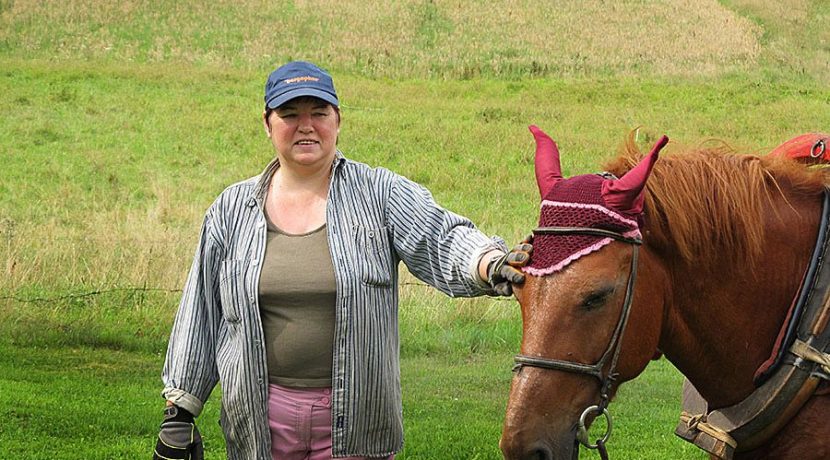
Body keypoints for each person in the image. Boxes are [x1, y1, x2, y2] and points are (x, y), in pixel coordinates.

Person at [152, 61, 531, 460]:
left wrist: (487, 262)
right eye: (289, 114)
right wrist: (179, 410)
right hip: (261, 420)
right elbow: (202, 310)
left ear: (337, 119)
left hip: (358, 421)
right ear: (267, 123)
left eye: (318, 113)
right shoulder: (231, 209)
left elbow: (440, 236)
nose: (306, 125)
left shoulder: (379, 194)